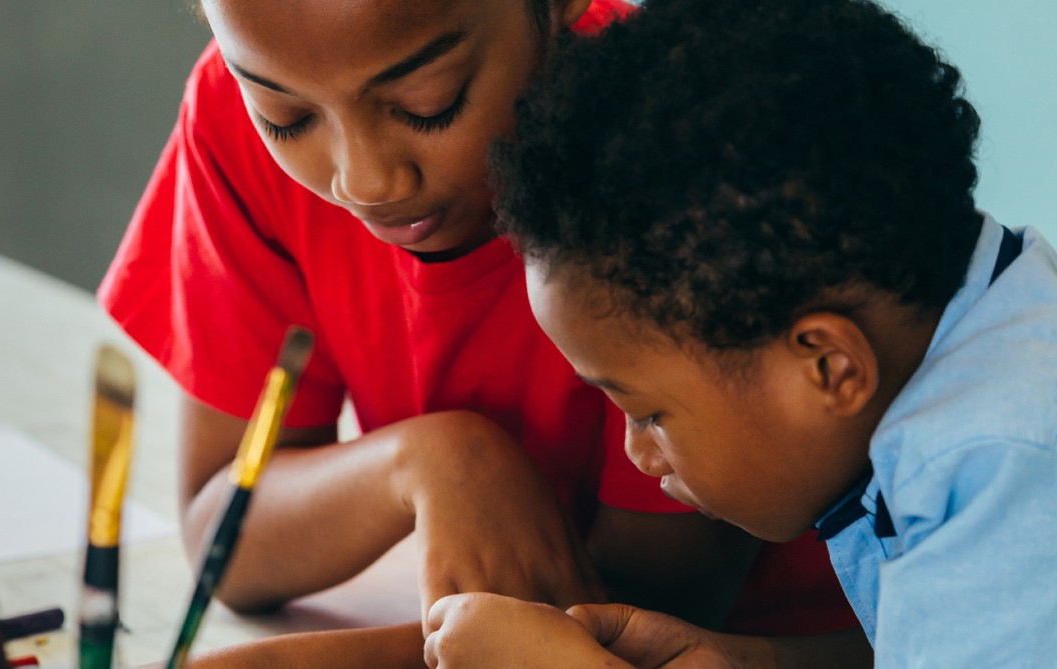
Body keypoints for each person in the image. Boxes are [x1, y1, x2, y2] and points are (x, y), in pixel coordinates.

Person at [100, 0, 862, 661]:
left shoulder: (675, 145)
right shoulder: (240, 105)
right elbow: (222, 533)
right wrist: (432, 459)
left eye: (427, 101)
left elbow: (627, 621)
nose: (366, 181)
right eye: (285, 118)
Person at [424, 0, 1057, 666]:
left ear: (827, 367)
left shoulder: (1001, 463)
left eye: (645, 412)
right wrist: (750, 660)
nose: (640, 453)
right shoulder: (997, 307)